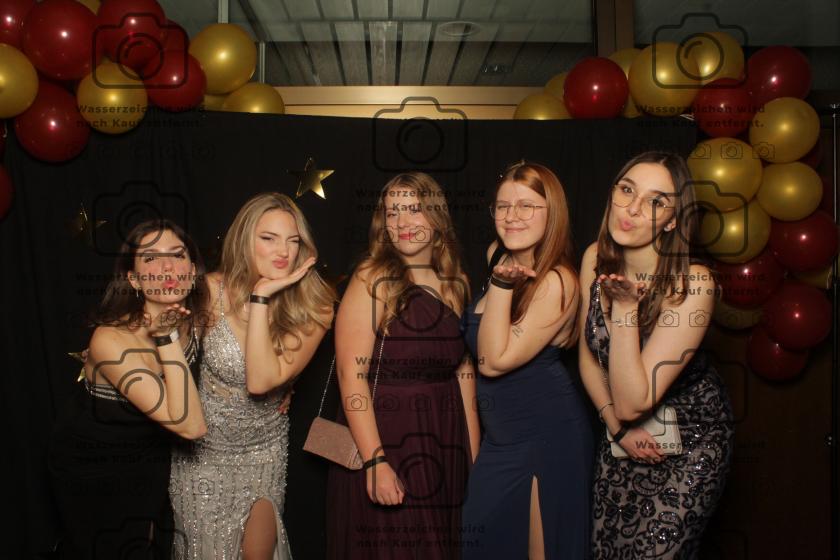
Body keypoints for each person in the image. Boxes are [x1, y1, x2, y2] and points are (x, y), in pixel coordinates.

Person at [578, 151, 735, 558]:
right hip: (620, 434)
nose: (633, 208)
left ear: (672, 220)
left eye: (656, 201)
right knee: (609, 549)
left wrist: (626, 309)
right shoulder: (594, 258)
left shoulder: (693, 283)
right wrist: (618, 430)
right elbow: (589, 358)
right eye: (627, 190)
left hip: (688, 442)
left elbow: (635, 401)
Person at [169, 192, 335, 559]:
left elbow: (259, 381)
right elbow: (164, 349)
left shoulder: (315, 305)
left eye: (293, 241)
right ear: (245, 240)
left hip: (262, 454)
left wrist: (261, 298)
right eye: (269, 238)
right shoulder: (210, 291)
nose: (284, 251)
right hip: (203, 454)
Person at [325, 172, 481, 559]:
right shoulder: (372, 276)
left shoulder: (456, 280)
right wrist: (375, 461)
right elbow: (350, 375)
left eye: (413, 209)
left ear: (436, 216)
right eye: (393, 213)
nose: (402, 222)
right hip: (386, 436)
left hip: (443, 436)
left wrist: (473, 457)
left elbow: (463, 373)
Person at [49, 219, 209, 559]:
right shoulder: (110, 340)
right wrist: (166, 337)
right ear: (133, 279)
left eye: (177, 255)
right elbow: (191, 426)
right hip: (95, 464)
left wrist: (285, 386)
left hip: (153, 452)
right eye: (150, 258)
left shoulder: (198, 313)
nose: (167, 268)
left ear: (193, 269)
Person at [461, 161, 592, 559]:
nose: (511, 216)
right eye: (502, 206)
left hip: (546, 437)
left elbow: (492, 360)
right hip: (500, 440)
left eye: (526, 206)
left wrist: (502, 285)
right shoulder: (496, 256)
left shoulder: (558, 280)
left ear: (553, 214)